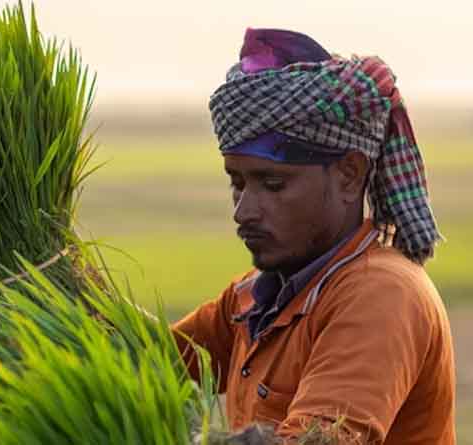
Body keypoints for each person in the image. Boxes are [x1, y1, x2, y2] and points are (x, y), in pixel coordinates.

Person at [172, 28, 456, 445]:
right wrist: (60, 282)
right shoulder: (257, 297)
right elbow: (149, 356)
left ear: (349, 175)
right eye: (237, 182)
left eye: (272, 184)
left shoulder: (381, 295)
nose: (243, 210)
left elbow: (317, 440)